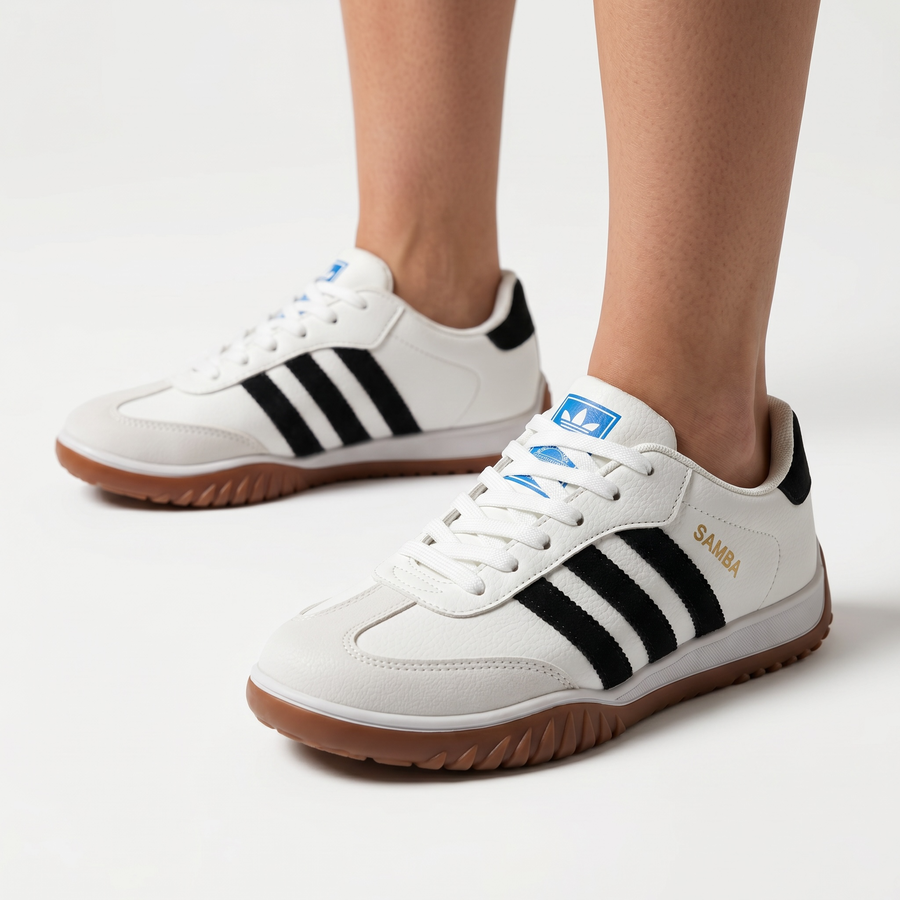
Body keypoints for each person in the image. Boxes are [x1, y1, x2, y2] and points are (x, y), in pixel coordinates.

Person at [59, 1, 827, 769]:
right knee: (422, 254)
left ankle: (696, 434)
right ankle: (427, 292)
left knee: (677, 395)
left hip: (699, 485)